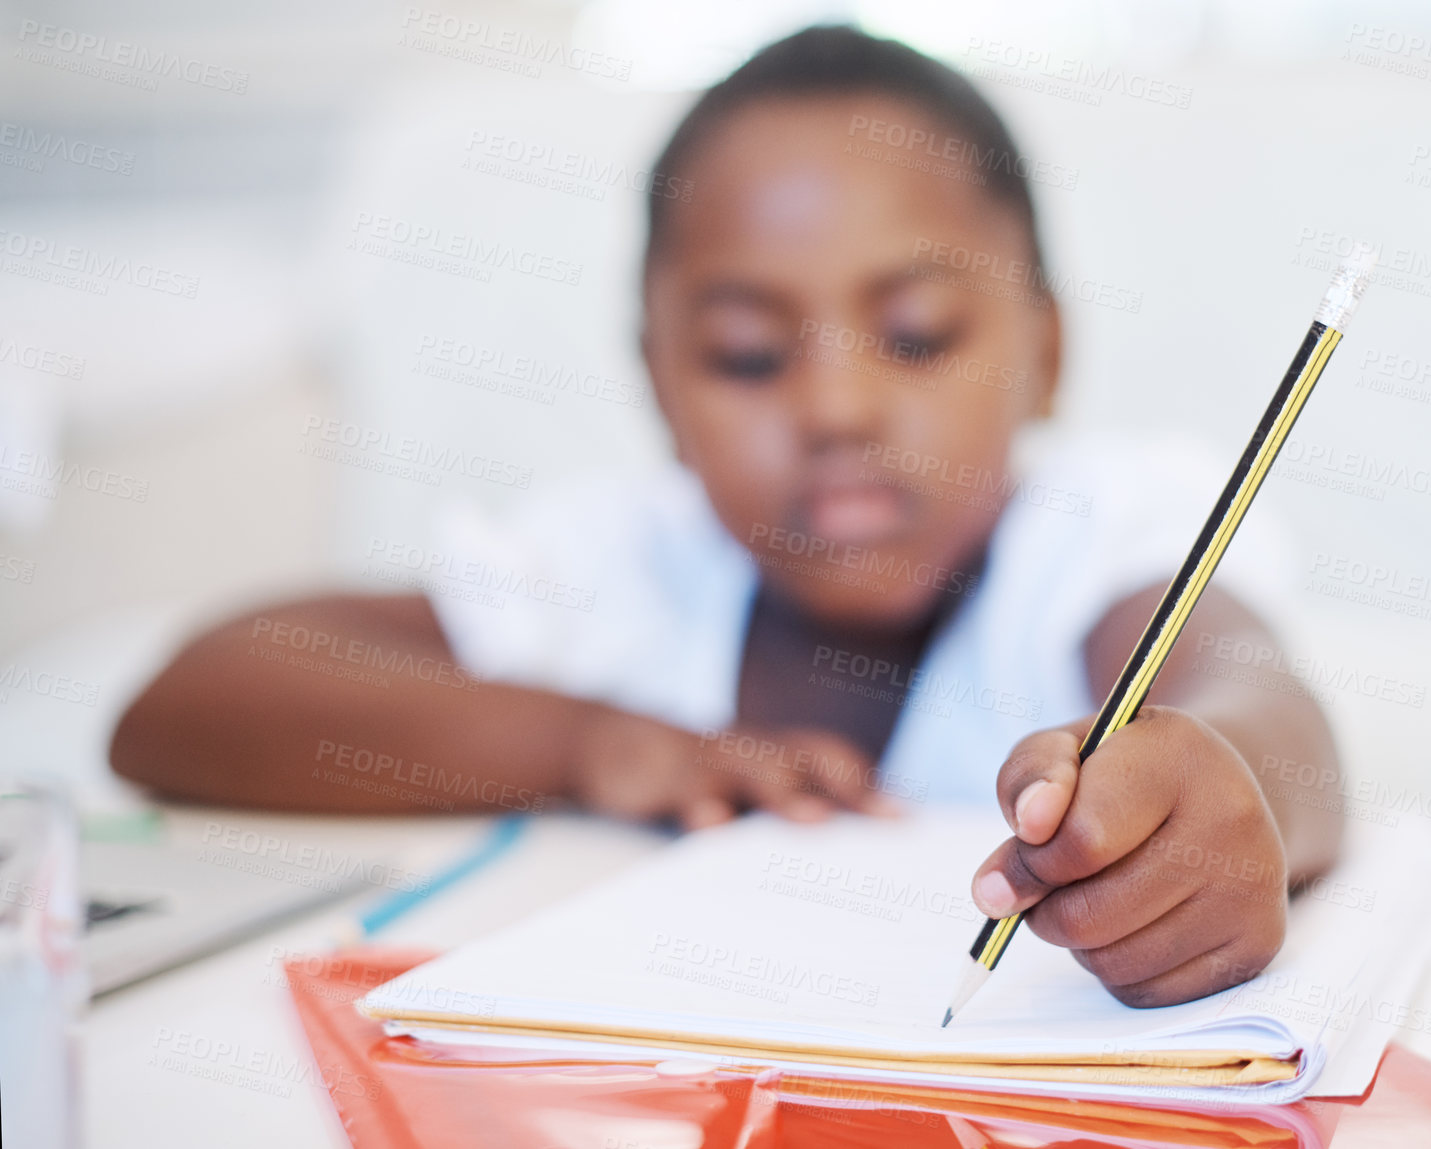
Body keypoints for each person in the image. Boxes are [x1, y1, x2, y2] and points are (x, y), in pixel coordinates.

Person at [112, 25, 1341, 1007]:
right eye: (749, 356)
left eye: (916, 336)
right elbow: (191, 703)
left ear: (1045, 353)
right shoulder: (621, 565)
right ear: (657, 383)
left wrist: (1228, 794)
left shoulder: (1098, 532)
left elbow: (1259, 701)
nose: (836, 405)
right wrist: (589, 745)